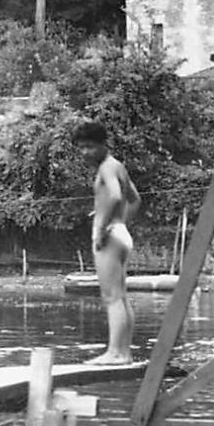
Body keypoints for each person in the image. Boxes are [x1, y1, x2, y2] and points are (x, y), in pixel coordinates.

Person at [73, 119, 143, 366]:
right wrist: (121, 222)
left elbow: (114, 195)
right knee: (121, 296)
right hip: (121, 233)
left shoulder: (107, 167)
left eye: (90, 146)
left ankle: (115, 353)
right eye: (81, 147)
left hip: (110, 236)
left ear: (104, 144)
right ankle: (124, 352)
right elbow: (135, 199)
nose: (85, 152)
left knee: (111, 297)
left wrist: (101, 228)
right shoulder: (118, 166)